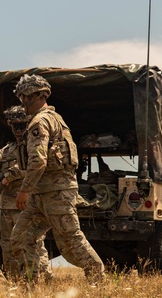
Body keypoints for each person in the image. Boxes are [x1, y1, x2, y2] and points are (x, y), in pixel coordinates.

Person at [9, 74, 105, 284]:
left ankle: (97, 280)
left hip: (56, 194)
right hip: (41, 194)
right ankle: (31, 286)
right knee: (21, 238)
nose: (21, 102)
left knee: (71, 242)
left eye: (23, 96)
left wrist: (24, 190)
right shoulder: (54, 119)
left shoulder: (40, 121)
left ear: (34, 95)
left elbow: (38, 160)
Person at [0, 106, 49, 278]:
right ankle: (14, 281)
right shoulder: (7, 149)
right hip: (7, 207)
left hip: (27, 203)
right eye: (14, 126)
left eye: (22, 125)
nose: (18, 130)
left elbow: (31, 166)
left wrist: (7, 177)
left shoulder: (35, 145)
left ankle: (42, 280)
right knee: (7, 244)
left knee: (32, 244)